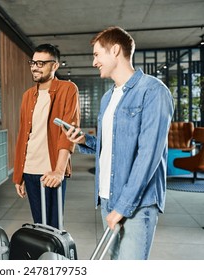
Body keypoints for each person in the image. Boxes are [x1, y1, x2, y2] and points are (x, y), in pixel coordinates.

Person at [65, 26, 174, 259]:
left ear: (115, 50)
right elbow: (115, 146)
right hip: (108, 197)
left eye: (96, 54)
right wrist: (85, 140)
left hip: (137, 204)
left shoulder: (153, 91)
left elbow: (149, 156)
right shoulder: (108, 97)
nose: (94, 62)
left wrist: (122, 207)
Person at [13, 44, 81, 228]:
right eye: (33, 62)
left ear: (55, 66)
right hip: (29, 170)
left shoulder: (68, 89)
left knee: (54, 228)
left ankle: (56, 257)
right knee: (39, 227)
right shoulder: (28, 95)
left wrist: (59, 171)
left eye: (41, 63)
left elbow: (68, 132)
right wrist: (18, 175)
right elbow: (23, 136)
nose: (35, 67)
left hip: (51, 171)